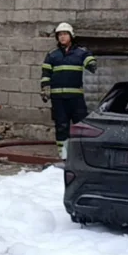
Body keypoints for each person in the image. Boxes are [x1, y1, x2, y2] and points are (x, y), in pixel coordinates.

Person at [41, 23, 97, 160]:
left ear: (71, 36)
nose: (62, 37)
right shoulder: (52, 55)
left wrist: (91, 62)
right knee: (61, 125)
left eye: (65, 34)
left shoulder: (81, 53)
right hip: (58, 98)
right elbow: (46, 74)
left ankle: (80, 153)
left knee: (80, 125)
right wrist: (45, 88)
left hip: (75, 98)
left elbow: (90, 61)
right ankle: (63, 154)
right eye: (60, 35)